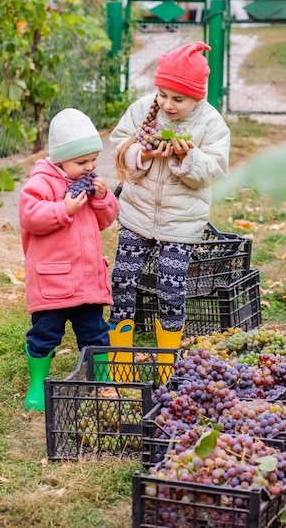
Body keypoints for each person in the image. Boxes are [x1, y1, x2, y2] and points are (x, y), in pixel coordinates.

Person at [108, 42, 231, 370]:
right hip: (137, 212)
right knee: (122, 280)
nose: (168, 104)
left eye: (178, 99)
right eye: (163, 95)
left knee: (170, 289)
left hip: (182, 221)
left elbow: (216, 170)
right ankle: (120, 356)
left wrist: (186, 156)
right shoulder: (142, 109)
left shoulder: (211, 123)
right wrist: (142, 154)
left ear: (198, 97)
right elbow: (118, 145)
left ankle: (167, 362)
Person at [19, 107, 120, 411]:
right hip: (54, 281)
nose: (90, 167)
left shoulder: (88, 182)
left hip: (87, 279)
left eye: (93, 160)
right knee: (45, 333)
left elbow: (106, 220)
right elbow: (29, 216)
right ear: (60, 159)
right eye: (82, 162)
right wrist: (63, 210)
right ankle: (38, 384)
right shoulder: (41, 182)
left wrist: (102, 199)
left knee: (96, 332)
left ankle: (101, 383)